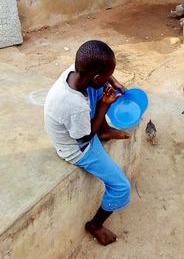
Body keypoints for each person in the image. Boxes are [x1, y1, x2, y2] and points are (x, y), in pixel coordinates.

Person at [44, 40, 131, 246]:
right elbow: (85, 137)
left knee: (99, 90)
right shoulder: (74, 105)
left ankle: (105, 130)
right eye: (107, 76)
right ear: (95, 76)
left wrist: (113, 82)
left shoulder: (76, 72)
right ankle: (95, 225)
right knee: (121, 187)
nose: (110, 80)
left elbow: (98, 76)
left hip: (81, 127)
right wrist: (103, 106)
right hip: (77, 148)